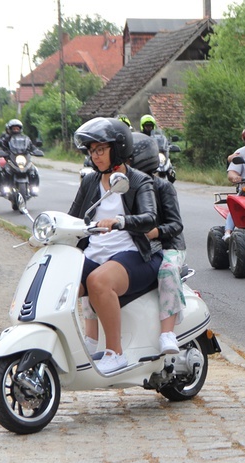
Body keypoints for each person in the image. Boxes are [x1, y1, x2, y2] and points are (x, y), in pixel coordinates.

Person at [69, 117, 162, 374]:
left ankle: (115, 353)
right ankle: (71, 344)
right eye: (91, 150)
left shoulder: (139, 180)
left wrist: (120, 221)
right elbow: (74, 218)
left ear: (117, 148)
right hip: (96, 254)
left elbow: (149, 218)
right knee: (61, 281)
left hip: (134, 253)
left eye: (101, 149)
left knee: (98, 281)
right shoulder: (89, 181)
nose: (95, 156)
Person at [82, 132, 184, 355]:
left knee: (167, 271)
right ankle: (91, 335)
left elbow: (175, 225)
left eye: (128, 161)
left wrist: (153, 232)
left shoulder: (159, 186)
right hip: (138, 240)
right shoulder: (117, 182)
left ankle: (167, 332)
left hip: (165, 245)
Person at [0, 119, 39, 196]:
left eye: (17, 128)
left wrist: (35, 150)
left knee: (34, 170)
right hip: (11, 158)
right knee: (0, 170)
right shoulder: (6, 139)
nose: (15, 130)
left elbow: (31, 146)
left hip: (24, 158)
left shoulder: (25, 138)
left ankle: (33, 188)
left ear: (20, 129)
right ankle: (3, 187)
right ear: (10, 129)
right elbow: (1, 145)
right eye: (14, 128)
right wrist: (1, 151)